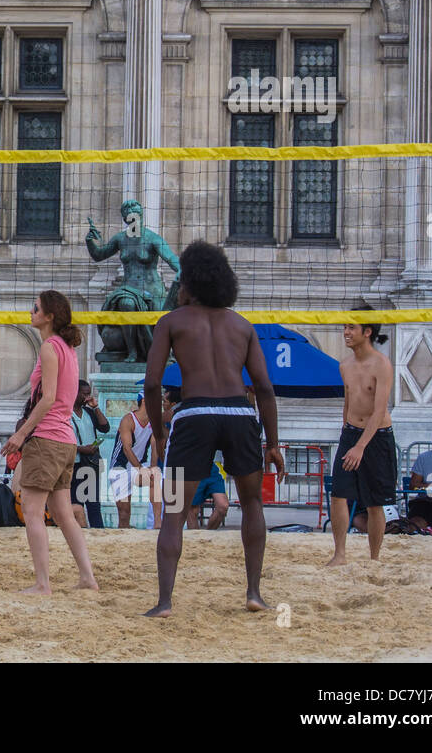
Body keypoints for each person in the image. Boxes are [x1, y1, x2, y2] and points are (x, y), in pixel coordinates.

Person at [143, 240, 283, 618]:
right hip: (240, 413)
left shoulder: (172, 320)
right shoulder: (242, 325)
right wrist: (272, 442)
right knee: (252, 503)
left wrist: (158, 431)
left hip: (195, 413)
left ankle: (165, 602)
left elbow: (153, 383)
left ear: (189, 282)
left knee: (174, 510)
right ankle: (254, 593)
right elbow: (265, 389)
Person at [0, 289, 98, 594]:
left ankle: (43, 584)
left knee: (31, 512)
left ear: (49, 316)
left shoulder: (50, 348)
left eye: (36, 308)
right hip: (66, 440)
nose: (31, 312)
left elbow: (48, 399)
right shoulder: (66, 349)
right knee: (64, 514)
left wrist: (20, 433)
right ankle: (87, 578)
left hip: (47, 438)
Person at [326, 304, 396, 565]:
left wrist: (361, 447)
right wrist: (347, 436)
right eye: (345, 326)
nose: (346, 332)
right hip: (351, 434)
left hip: (376, 437)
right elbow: (348, 402)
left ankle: (374, 558)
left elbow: (379, 411)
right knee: (338, 495)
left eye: (351, 327)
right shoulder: (345, 365)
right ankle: (339, 554)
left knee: (375, 502)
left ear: (367, 332)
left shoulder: (381, 364)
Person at [108, 394, 155, 529]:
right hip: (120, 466)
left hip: (139, 464)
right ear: (145, 401)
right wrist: (141, 469)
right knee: (124, 513)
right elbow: (127, 449)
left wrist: (152, 467)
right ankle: (124, 533)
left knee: (155, 479)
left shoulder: (154, 420)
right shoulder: (128, 420)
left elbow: (155, 446)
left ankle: (157, 522)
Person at [70, 380, 109, 528]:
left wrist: (96, 407)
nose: (87, 397)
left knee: (93, 503)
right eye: (84, 394)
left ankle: (98, 531)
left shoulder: (89, 412)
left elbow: (105, 427)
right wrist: (81, 449)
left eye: (88, 394)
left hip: (90, 464)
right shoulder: (65, 414)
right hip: (74, 464)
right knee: (75, 502)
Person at [186, 463, 230, 530]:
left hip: (209, 466)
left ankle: (207, 536)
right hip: (188, 466)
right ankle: (196, 539)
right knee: (192, 510)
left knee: (223, 506)